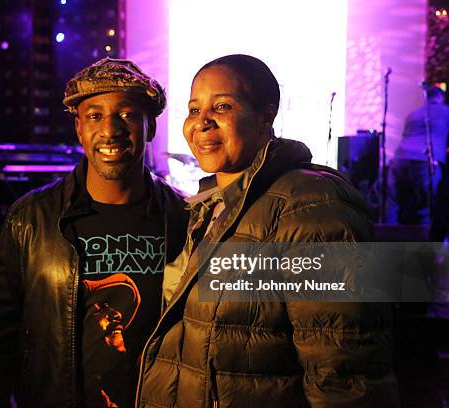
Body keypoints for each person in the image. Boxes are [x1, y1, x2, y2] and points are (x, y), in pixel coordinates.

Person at [136, 55, 400, 407]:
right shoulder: (208, 208)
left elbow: (344, 368)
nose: (202, 123)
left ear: (266, 115)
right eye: (194, 109)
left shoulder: (312, 204)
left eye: (223, 106)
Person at [0, 58, 188, 408]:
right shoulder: (31, 218)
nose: (110, 130)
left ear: (150, 127)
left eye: (127, 114)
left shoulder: (184, 219)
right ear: (78, 128)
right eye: (94, 115)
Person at [389, 86, 449, 227]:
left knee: (397, 204)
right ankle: (423, 244)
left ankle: (389, 241)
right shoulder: (446, 111)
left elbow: (406, 136)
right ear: (440, 98)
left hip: (400, 159)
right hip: (426, 160)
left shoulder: (413, 114)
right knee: (426, 206)